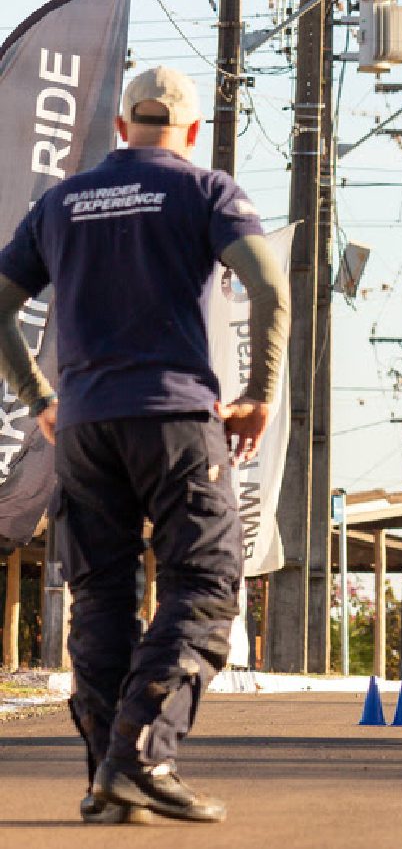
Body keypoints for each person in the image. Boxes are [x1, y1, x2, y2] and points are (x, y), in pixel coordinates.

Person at [0, 66, 289, 824]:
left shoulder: (60, 202)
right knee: (207, 580)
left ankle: (106, 779)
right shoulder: (206, 191)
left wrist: (41, 401)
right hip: (175, 421)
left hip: (87, 427)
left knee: (101, 599)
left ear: (122, 127)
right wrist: (258, 393)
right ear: (191, 132)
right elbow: (267, 285)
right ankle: (143, 756)